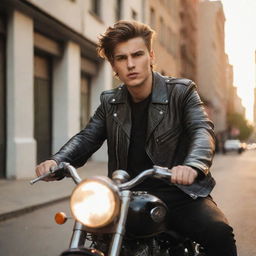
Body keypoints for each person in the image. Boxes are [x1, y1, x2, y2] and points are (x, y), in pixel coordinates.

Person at [35, 20, 237, 255]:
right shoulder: (110, 102)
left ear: (151, 56)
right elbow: (87, 138)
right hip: (124, 195)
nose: (131, 64)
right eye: (121, 58)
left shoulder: (181, 92)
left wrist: (192, 165)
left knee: (219, 233)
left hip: (180, 194)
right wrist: (57, 162)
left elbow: (202, 129)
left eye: (137, 54)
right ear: (113, 65)